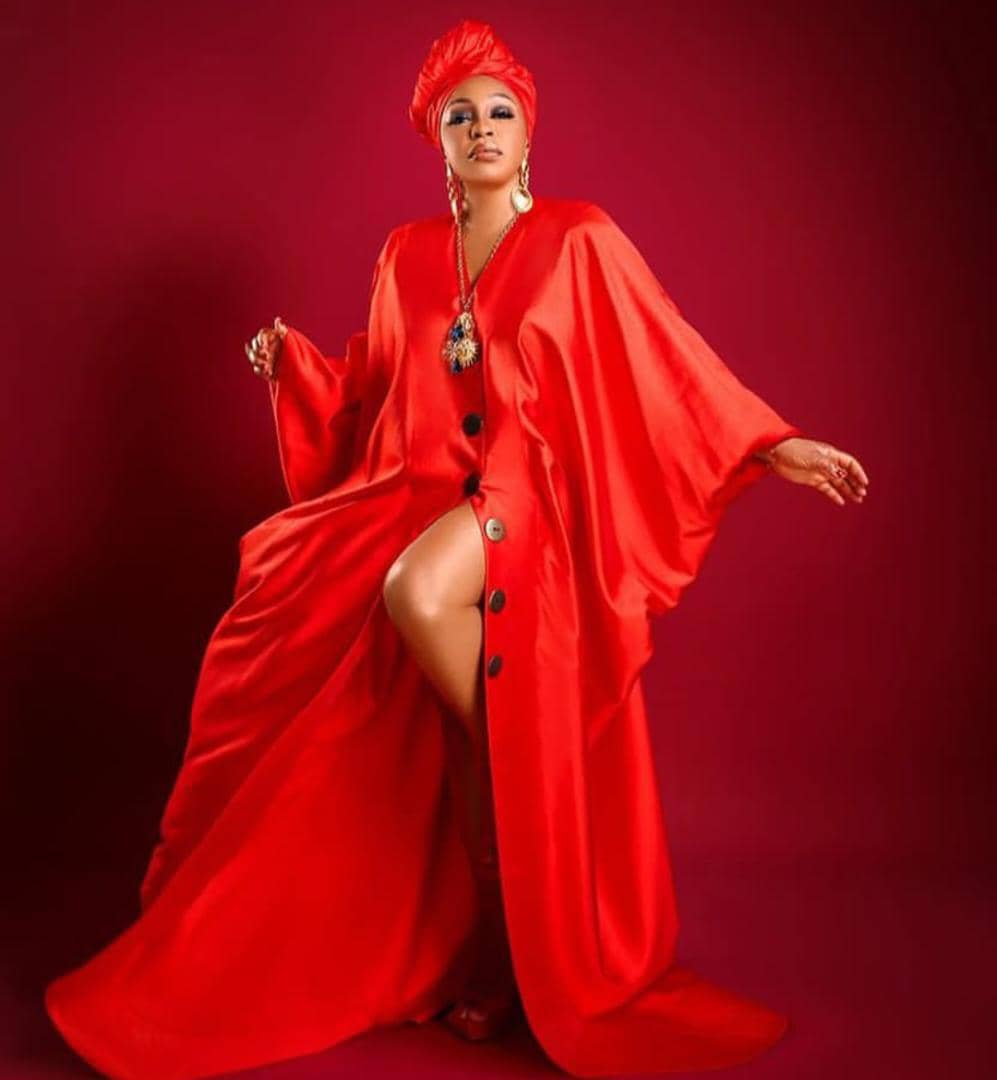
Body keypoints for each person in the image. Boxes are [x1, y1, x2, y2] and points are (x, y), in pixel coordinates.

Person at [44, 17, 869, 1080]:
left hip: (531, 512)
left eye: (500, 112)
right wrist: (295, 367)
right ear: (437, 140)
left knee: (411, 590)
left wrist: (772, 443)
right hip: (418, 494)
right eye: (459, 116)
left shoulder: (578, 240)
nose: (481, 129)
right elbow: (377, 390)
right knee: (278, 611)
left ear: (528, 133)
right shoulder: (406, 256)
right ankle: (500, 871)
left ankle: (506, 816)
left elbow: (667, 362)